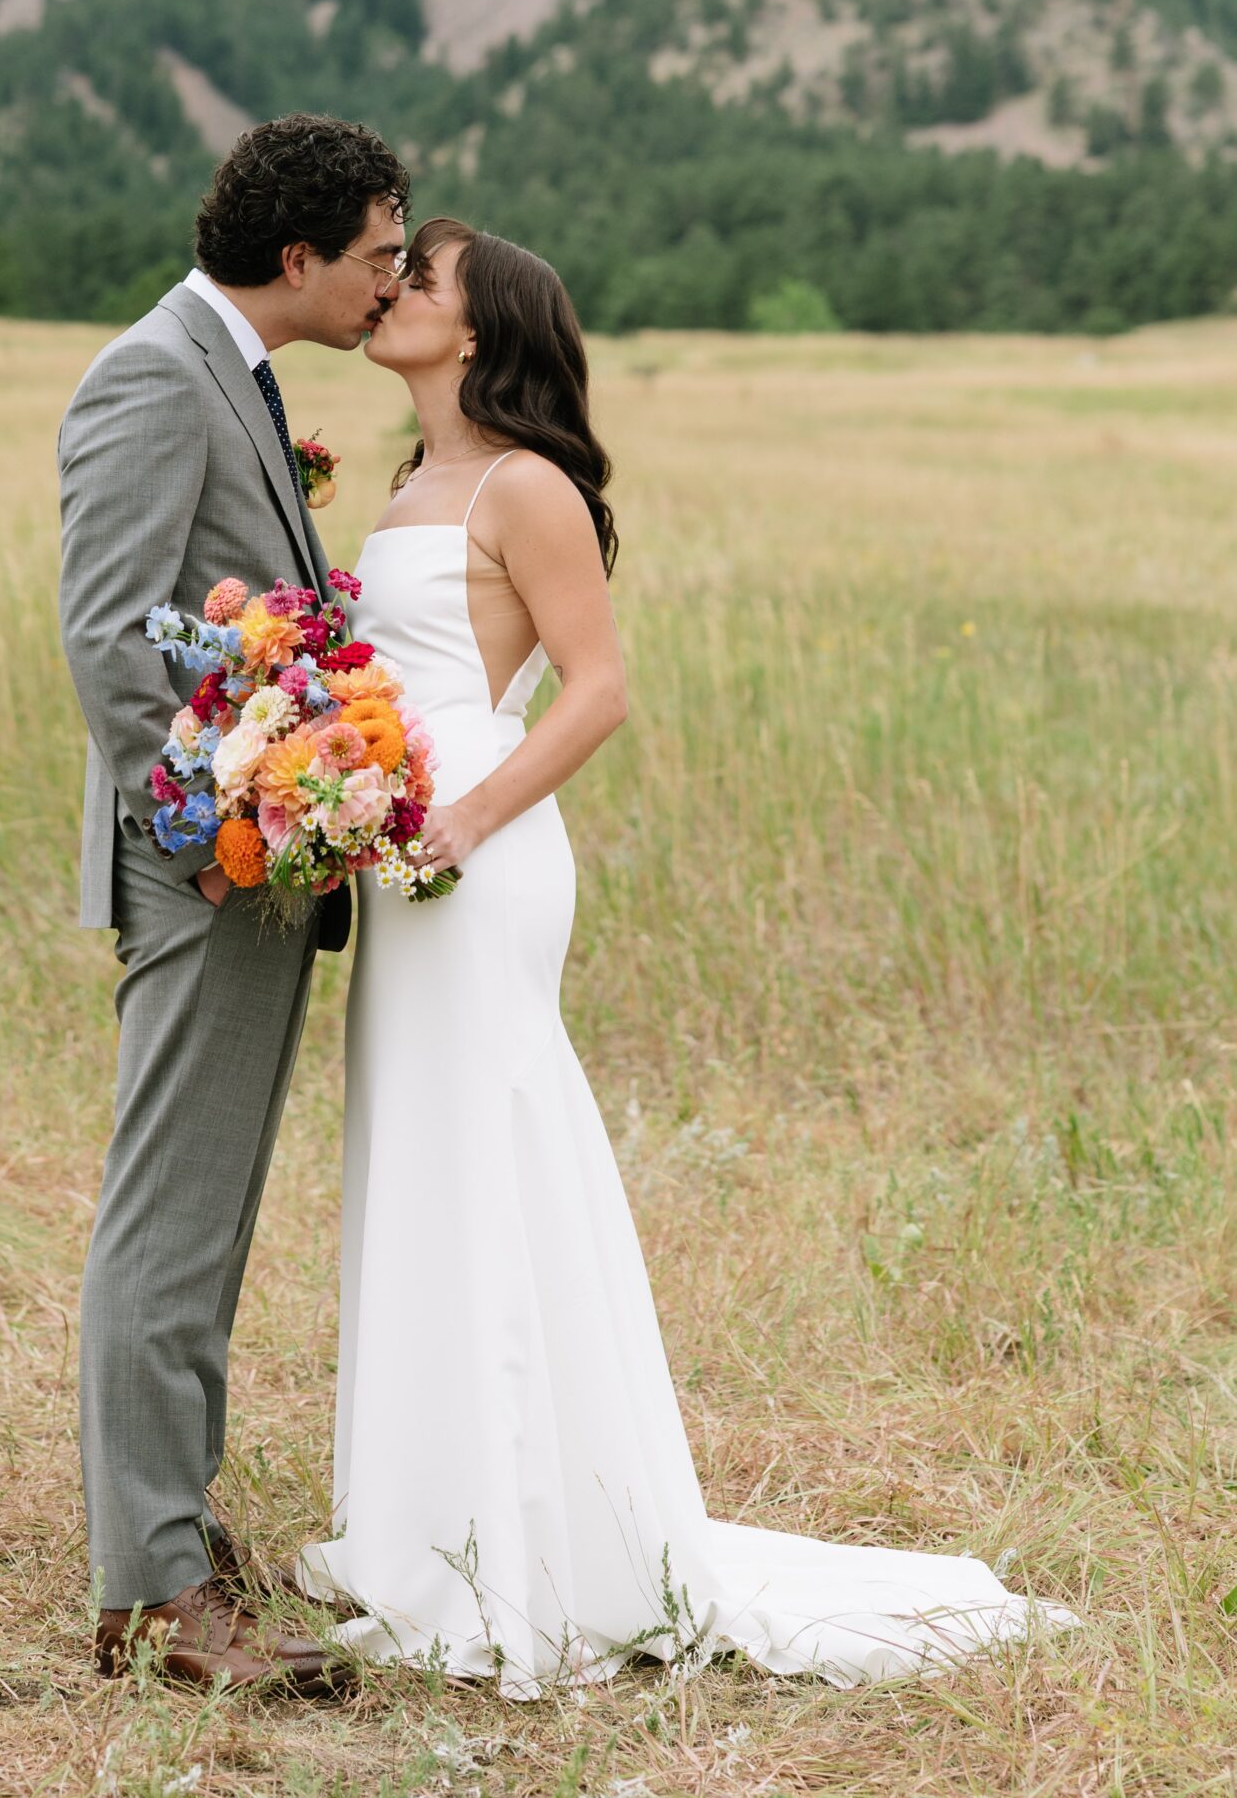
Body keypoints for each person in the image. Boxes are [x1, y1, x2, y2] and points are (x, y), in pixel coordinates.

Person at [299, 215, 1079, 1696]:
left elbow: (596, 694)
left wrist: (461, 820)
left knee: (494, 1146)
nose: (395, 288)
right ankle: (433, 1527)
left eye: (426, 277)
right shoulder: (415, 482)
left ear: (480, 329)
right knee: (418, 1159)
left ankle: (537, 1548)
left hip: (479, 847)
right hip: (402, 850)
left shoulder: (526, 486)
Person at [58, 112, 409, 1694]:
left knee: (216, 1210)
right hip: (204, 860)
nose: (393, 287)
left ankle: (177, 1530)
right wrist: (204, 835)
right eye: (381, 257)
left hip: (254, 856)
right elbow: (111, 630)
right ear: (299, 255)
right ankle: (146, 1591)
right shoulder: (152, 373)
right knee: (171, 1213)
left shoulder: (238, 372)